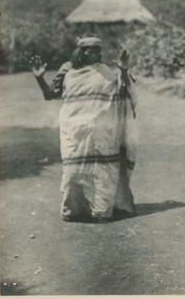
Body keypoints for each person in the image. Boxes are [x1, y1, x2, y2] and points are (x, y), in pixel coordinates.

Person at [31, 37, 137, 222]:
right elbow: (50, 95)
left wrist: (124, 70)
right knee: (73, 171)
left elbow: (123, 94)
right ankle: (74, 210)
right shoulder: (68, 70)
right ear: (81, 51)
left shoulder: (106, 71)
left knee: (102, 171)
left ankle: (101, 210)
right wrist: (39, 78)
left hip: (100, 132)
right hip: (74, 130)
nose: (94, 53)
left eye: (97, 49)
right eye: (89, 49)